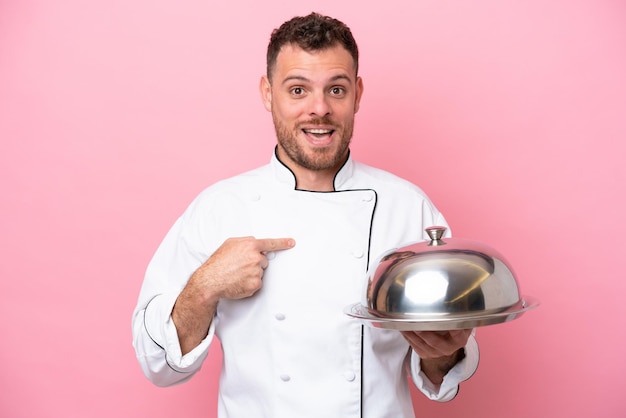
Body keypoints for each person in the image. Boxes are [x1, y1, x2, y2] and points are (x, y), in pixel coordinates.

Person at [132, 12, 479, 418]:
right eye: (298, 90)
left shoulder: (408, 208)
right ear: (267, 93)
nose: (319, 109)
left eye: (336, 89)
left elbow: (445, 368)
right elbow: (156, 363)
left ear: (358, 94)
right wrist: (204, 286)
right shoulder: (219, 208)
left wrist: (443, 352)